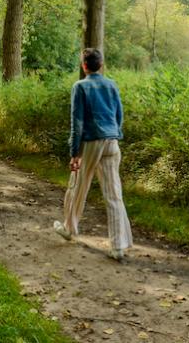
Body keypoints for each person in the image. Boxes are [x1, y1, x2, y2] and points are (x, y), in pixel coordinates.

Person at [53, 48, 133, 260]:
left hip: (91, 142)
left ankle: (69, 229)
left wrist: (74, 153)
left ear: (84, 65)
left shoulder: (80, 87)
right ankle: (118, 246)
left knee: (78, 185)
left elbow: (77, 123)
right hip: (112, 141)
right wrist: (116, 133)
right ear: (101, 65)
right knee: (114, 193)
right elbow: (119, 114)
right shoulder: (112, 85)